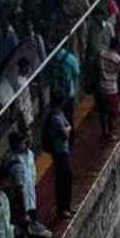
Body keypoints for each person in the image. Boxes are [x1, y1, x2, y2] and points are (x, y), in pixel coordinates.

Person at [44, 92, 75, 220]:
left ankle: (66, 207)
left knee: (66, 178)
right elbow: (66, 132)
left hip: (63, 151)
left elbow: (68, 127)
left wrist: (67, 128)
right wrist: (67, 128)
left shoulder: (59, 114)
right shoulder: (56, 118)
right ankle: (63, 208)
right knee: (64, 178)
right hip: (60, 152)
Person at [99, 37, 120, 139]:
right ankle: (111, 134)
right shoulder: (117, 58)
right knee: (114, 112)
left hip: (101, 86)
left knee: (103, 111)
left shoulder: (102, 54)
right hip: (112, 89)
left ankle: (104, 132)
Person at [46, 47, 81, 126]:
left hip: (55, 93)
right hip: (69, 93)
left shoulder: (50, 58)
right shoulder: (70, 58)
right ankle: (70, 135)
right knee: (68, 117)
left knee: (56, 116)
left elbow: (48, 75)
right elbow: (77, 73)